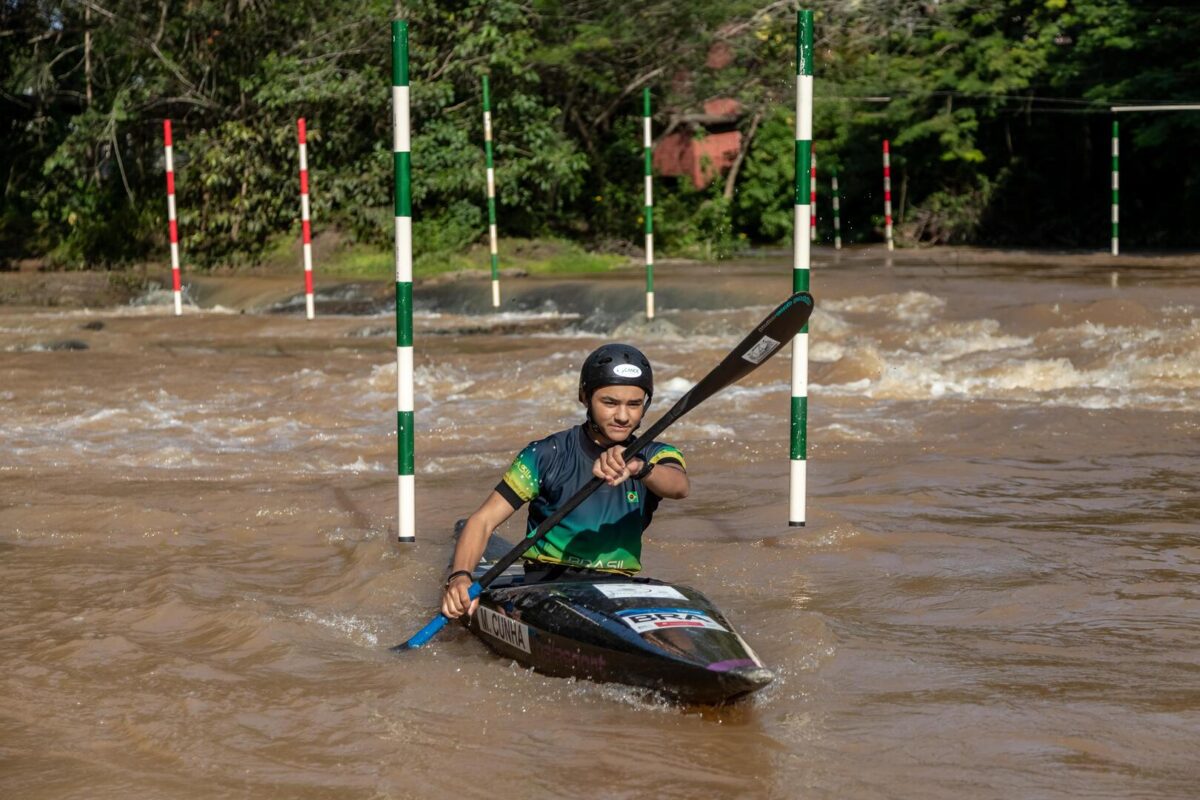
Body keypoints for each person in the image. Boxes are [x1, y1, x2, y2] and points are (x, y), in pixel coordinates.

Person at [441, 343, 689, 619]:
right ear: (584, 397)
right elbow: (482, 521)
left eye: (634, 404)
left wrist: (639, 468)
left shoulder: (654, 455)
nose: (622, 416)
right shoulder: (546, 454)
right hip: (546, 584)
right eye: (609, 402)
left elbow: (679, 487)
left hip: (616, 587)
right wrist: (460, 578)